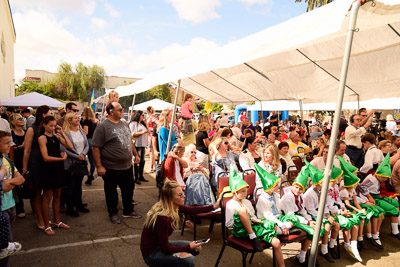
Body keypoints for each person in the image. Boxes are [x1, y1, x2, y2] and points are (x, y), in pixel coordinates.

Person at [140, 179, 220, 267]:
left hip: (159, 246)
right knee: (190, 260)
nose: (184, 196)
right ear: (170, 198)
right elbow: (165, 249)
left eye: (183, 192)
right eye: (180, 194)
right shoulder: (163, 218)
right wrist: (189, 247)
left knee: (195, 249)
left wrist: (214, 206)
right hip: (152, 254)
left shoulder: (172, 206)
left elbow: (192, 210)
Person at [92, 102, 141, 224]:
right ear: (111, 112)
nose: (122, 111)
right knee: (111, 191)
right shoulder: (103, 127)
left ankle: (128, 210)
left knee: (129, 189)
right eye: (120, 109)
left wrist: (135, 154)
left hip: (127, 166)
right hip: (111, 167)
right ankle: (113, 213)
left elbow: (129, 141)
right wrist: (99, 166)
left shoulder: (124, 124)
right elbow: (95, 147)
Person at [225, 166, 283, 266]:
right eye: (242, 191)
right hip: (240, 229)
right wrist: (243, 218)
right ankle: (253, 237)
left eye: (246, 191)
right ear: (235, 192)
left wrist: (253, 219)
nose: (245, 193)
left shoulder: (247, 202)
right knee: (243, 211)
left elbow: (253, 216)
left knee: (276, 242)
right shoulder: (230, 204)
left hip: (253, 226)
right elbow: (228, 224)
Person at [254, 164, 311, 265]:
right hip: (268, 221)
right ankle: (286, 230)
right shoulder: (262, 199)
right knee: (271, 225)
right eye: (275, 185)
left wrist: (284, 222)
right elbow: (269, 216)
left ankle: (286, 229)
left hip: (278, 218)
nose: (277, 187)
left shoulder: (275, 195)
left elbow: (279, 210)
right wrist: (282, 224)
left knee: (294, 218)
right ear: (269, 186)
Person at [38, 116, 73, 235]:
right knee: (47, 197)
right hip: (48, 169)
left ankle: (57, 221)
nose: (53, 128)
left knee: (58, 195)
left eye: (54, 125)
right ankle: (47, 225)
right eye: (50, 126)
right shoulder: (42, 138)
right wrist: (61, 159)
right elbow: (45, 157)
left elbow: (70, 146)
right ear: (44, 125)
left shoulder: (56, 136)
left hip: (58, 168)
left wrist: (62, 132)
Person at [22, 105, 51, 230]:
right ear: (44, 115)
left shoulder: (50, 128)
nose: (52, 115)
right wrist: (24, 168)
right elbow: (27, 150)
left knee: (47, 192)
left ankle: (44, 216)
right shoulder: (31, 129)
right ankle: (39, 217)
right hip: (36, 163)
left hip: (48, 163)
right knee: (37, 192)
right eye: (50, 113)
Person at [0, 132, 23, 260]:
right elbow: (3, 187)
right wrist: (9, 183)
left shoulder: (7, 160)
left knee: (8, 243)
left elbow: (21, 179)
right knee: (4, 248)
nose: (10, 145)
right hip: (2, 208)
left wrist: (8, 183)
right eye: (6, 143)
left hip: (11, 204)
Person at [62, 112, 90, 217]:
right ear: (69, 121)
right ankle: (70, 208)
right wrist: (76, 156)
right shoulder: (65, 133)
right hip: (70, 164)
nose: (78, 119)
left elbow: (87, 145)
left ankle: (79, 205)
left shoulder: (81, 132)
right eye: (75, 118)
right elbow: (63, 149)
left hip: (80, 163)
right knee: (70, 186)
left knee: (78, 185)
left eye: (78, 118)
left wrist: (82, 154)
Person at [8, 114, 26, 218]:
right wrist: (20, 147)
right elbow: (9, 148)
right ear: (13, 122)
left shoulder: (26, 131)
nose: (22, 120)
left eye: (22, 118)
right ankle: (20, 208)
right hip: (16, 161)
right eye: (19, 119)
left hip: (26, 160)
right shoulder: (11, 134)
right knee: (17, 185)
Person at [130, 110, 150, 185]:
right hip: (137, 144)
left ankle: (140, 175)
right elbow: (132, 134)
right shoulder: (133, 124)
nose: (143, 117)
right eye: (142, 115)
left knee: (142, 160)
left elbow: (147, 130)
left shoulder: (142, 124)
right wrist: (143, 132)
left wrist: (146, 123)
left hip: (143, 144)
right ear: (138, 115)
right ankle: (136, 177)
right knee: (137, 160)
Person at [81, 107, 97, 185]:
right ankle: (90, 175)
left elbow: (86, 132)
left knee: (83, 160)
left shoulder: (86, 121)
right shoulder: (94, 122)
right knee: (92, 161)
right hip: (93, 141)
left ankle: (89, 175)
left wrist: (80, 129)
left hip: (87, 141)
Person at [146, 106, 158, 173]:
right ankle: (154, 166)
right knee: (151, 151)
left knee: (151, 151)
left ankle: (151, 167)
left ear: (148, 111)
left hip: (151, 135)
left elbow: (158, 123)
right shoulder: (151, 117)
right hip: (150, 135)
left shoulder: (153, 117)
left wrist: (152, 129)